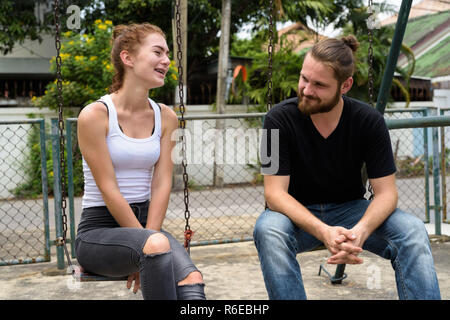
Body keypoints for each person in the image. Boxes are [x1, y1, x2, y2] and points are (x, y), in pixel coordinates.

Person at [254, 35, 441, 300]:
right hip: (295, 215)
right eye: (304, 78)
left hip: (351, 209)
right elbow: (274, 194)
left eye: (319, 85)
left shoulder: (369, 121)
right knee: (268, 229)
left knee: (412, 230)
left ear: (345, 85)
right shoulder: (277, 120)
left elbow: (387, 193)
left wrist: (361, 231)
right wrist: (324, 231)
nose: (306, 90)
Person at [75, 23, 205, 300]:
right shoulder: (96, 115)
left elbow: (162, 182)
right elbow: (108, 188)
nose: (167, 60)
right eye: (158, 52)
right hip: (99, 233)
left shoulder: (166, 117)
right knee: (155, 247)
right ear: (128, 58)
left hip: (148, 226)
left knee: (191, 277)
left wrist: (146, 242)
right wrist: (144, 246)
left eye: (168, 53)